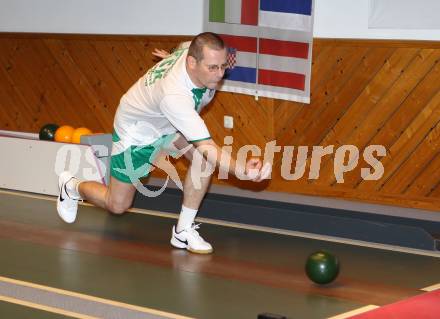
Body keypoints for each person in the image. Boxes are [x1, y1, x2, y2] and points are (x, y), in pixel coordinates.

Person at [57, 32, 271, 254]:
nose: (219, 75)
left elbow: (183, 45)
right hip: (137, 131)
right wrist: (243, 171)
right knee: (117, 205)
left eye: (222, 66)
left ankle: (183, 231)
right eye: (212, 68)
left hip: (167, 123)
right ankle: (71, 187)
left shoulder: (191, 51)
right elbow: (208, 146)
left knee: (202, 161)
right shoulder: (175, 96)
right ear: (192, 62)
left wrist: (170, 57)